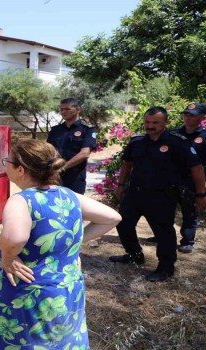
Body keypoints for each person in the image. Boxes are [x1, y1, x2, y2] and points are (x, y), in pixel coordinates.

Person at [0, 139, 121, 349]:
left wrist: (8, 257)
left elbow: (15, 238)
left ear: (20, 169)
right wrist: (69, 244)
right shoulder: (68, 195)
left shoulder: (22, 200)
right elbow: (112, 217)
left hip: (31, 294)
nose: (5, 165)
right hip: (68, 291)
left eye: (6, 161)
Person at [109, 106, 206, 282]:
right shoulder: (137, 142)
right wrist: (121, 185)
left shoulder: (178, 142)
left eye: (155, 122)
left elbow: (197, 168)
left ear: (166, 122)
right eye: (147, 122)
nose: (150, 125)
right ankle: (134, 254)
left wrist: (200, 194)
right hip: (135, 193)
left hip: (162, 196)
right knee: (123, 223)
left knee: (163, 233)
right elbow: (127, 164)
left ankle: (166, 268)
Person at [146, 102, 206, 253]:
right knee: (164, 209)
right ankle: (161, 235)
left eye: (192, 116)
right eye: (186, 114)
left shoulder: (204, 136)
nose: (188, 118)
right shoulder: (173, 133)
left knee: (189, 212)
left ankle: (187, 240)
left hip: (191, 180)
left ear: (202, 117)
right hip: (170, 179)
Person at [46, 98, 97, 194]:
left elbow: (84, 154)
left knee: (73, 206)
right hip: (54, 178)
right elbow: (48, 151)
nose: (63, 112)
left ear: (78, 110)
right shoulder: (56, 130)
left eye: (67, 109)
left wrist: (63, 167)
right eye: (61, 109)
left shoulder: (87, 129)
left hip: (74, 179)